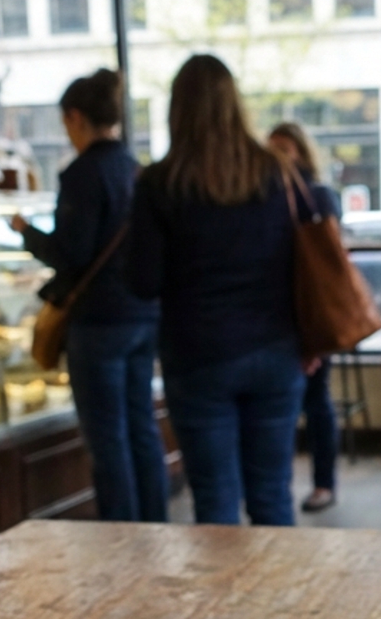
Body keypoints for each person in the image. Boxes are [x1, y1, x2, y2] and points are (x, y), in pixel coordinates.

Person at [127, 54, 305, 527]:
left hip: (198, 357)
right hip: (276, 350)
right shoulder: (276, 171)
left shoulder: (160, 183)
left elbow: (142, 282)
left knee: (214, 501)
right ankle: (279, 581)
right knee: (272, 496)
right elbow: (300, 262)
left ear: (177, 109)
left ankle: (223, 581)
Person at [13, 68, 169, 523]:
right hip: (142, 314)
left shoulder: (82, 174)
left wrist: (26, 232)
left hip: (100, 322)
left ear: (76, 117)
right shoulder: (136, 169)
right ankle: (155, 524)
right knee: (142, 427)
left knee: (107, 437)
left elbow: (71, 253)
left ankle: (120, 534)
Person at [268, 121, 339, 515]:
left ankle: (323, 482)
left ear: (301, 151)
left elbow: (329, 255)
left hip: (312, 311)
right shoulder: (265, 195)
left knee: (316, 399)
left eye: (285, 148)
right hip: (278, 313)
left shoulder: (316, 195)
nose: (277, 156)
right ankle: (288, 486)